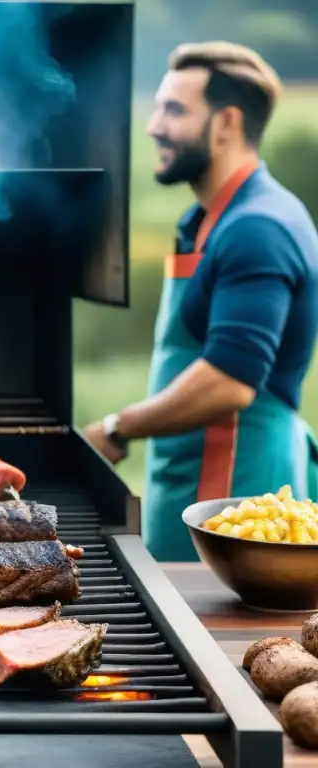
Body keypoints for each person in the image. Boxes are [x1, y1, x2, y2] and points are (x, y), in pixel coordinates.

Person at [82, 42, 318, 562]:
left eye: (174, 110)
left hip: (238, 488)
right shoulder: (213, 221)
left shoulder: (258, 227)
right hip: (195, 478)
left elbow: (228, 382)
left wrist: (117, 427)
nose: (153, 125)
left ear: (227, 122)